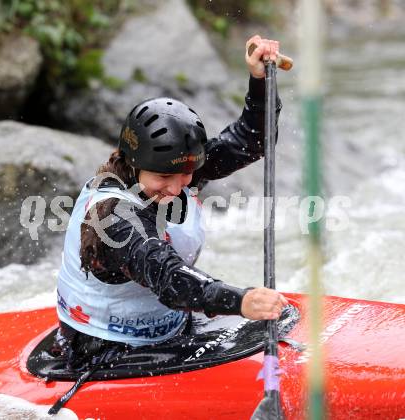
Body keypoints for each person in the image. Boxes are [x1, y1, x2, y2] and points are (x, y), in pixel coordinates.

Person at [55, 35, 288, 370]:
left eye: (187, 175)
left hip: (169, 330)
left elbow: (250, 142)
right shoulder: (111, 218)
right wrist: (242, 300)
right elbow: (169, 278)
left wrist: (260, 81)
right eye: (165, 178)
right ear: (135, 163)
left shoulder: (175, 170)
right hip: (105, 350)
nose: (178, 187)